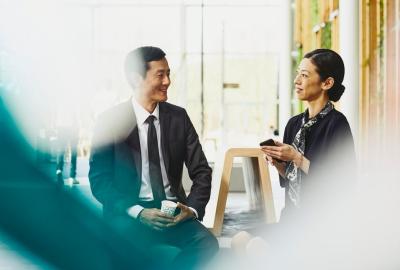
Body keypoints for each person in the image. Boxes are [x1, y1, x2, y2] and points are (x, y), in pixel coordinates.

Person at [89, 46, 218, 269]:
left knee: (208, 244)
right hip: (129, 212)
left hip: (173, 213)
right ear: (136, 78)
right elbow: (100, 181)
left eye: (169, 73)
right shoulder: (109, 122)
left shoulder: (178, 117)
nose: (167, 81)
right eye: (160, 75)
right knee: (119, 247)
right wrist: (139, 212)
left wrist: (192, 209)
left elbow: (202, 171)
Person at [232, 49, 356, 260]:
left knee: (258, 246)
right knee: (239, 239)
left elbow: (342, 183)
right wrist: (279, 163)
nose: (297, 80)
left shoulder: (338, 124)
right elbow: (290, 181)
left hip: (320, 225)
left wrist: (297, 157)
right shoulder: (294, 124)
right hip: (291, 219)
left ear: (326, 83)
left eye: (305, 75)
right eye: (298, 73)